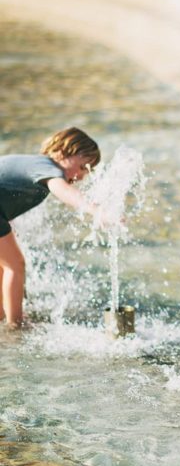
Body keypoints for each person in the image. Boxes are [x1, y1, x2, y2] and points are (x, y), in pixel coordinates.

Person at [0, 127, 105, 328]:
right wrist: (95, 210)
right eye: (83, 166)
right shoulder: (47, 166)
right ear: (63, 151)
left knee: (5, 266)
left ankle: (4, 315)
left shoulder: (36, 166)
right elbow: (63, 191)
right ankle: (15, 326)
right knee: (15, 265)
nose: (83, 176)